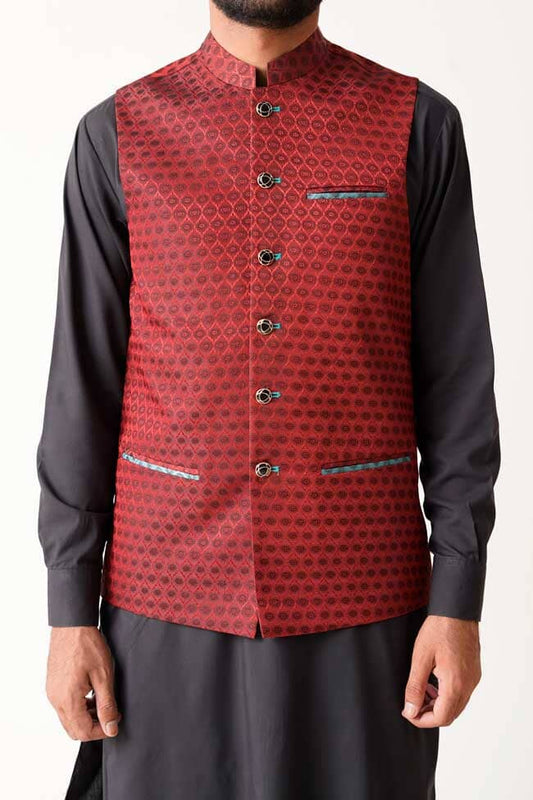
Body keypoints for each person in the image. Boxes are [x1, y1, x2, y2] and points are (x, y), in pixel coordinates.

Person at [37, 1, 501, 798]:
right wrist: (68, 610)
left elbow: (457, 380)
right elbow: (81, 385)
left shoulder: (418, 125)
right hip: (163, 604)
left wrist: (458, 596)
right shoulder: (116, 135)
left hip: (365, 603)